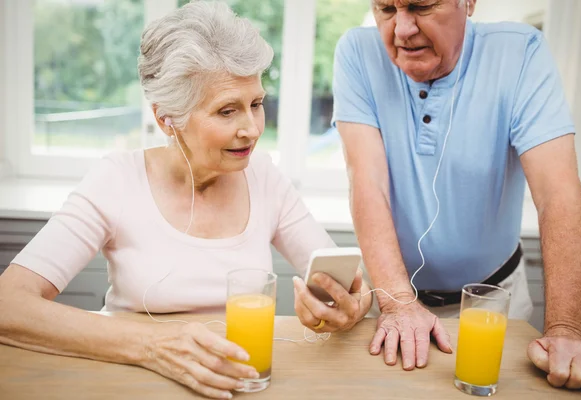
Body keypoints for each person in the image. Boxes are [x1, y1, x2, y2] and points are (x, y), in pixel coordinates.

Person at [0, 2, 373, 399]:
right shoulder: (117, 179)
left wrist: (348, 306)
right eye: (227, 110)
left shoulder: (264, 176)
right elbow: (9, 305)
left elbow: (348, 286)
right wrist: (153, 346)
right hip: (134, 385)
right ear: (166, 119)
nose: (251, 129)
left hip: (238, 381)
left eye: (257, 104)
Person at [332, 0, 581, 391]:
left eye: (421, 6)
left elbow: (557, 194)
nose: (402, 29)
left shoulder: (521, 52)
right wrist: (399, 303)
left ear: (469, 2)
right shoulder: (357, 51)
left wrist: (567, 327)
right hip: (391, 302)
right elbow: (367, 183)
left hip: (492, 303)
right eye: (386, 9)